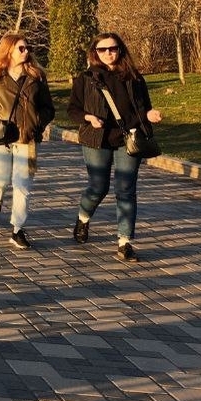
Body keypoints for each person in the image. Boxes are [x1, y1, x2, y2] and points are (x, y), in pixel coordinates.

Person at [67, 33, 163, 263]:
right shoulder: (86, 78)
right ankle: (83, 216)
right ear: (95, 52)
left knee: (126, 189)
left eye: (113, 48)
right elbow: (72, 109)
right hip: (96, 140)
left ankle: (125, 242)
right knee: (98, 187)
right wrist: (88, 117)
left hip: (128, 139)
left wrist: (149, 115)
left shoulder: (134, 77)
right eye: (103, 49)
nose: (108, 53)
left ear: (120, 50)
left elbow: (143, 109)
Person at [0, 34, 55, 251]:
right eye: (21, 48)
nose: (26, 51)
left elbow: (48, 107)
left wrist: (38, 122)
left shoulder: (36, 76)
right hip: (1, 138)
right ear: (8, 50)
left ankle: (17, 229)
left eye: (28, 47)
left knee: (23, 185)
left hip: (27, 138)